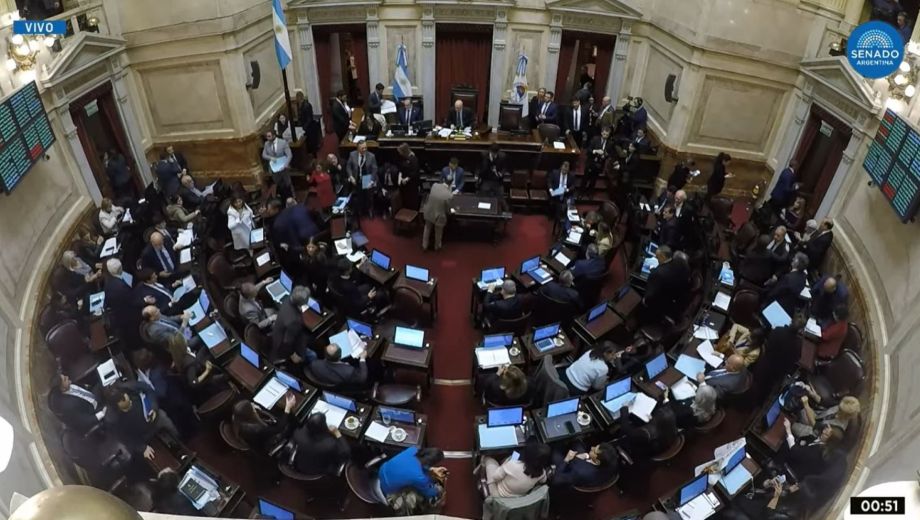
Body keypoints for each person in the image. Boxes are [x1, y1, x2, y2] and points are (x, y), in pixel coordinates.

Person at [104, 381, 182, 459]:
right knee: (156, 457)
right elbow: (124, 438)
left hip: (156, 418)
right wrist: (142, 448)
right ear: (117, 407)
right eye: (125, 406)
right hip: (142, 436)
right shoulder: (113, 420)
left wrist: (153, 407)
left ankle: (182, 447)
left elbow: (148, 390)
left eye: (128, 400)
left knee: (169, 426)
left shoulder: (129, 387)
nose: (128, 400)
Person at [232, 395, 297, 484]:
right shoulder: (256, 429)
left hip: (257, 442)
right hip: (268, 444)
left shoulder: (237, 419)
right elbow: (279, 429)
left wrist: (256, 411)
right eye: (252, 407)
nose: (253, 406)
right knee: (290, 425)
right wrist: (287, 408)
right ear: (249, 413)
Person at [753, 317, 805, 401]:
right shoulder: (798, 344)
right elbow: (796, 359)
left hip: (764, 364)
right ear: (801, 330)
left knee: (755, 383)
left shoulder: (778, 330)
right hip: (777, 372)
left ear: (790, 322)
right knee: (766, 390)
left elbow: (768, 344)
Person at [481, 441, 551, 498]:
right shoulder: (542, 473)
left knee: (489, 459)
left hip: (499, 495)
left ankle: (480, 470)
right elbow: (543, 481)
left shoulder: (513, 465)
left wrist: (507, 463)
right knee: (510, 459)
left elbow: (495, 477)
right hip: (518, 497)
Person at [377, 447, 447, 502]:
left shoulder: (412, 449)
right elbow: (429, 491)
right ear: (432, 462)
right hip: (387, 487)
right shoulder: (419, 477)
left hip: (382, 470)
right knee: (416, 497)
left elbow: (411, 466)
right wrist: (438, 491)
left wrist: (432, 469)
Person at [641, 245, 690, 322]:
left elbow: (648, 299)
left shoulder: (657, 274)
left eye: (657, 257)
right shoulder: (683, 266)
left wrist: (644, 300)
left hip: (663, 309)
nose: (656, 259)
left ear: (663, 256)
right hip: (679, 300)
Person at [271, 286, 316, 365]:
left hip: (278, 335)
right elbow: (287, 341)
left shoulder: (287, 299)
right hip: (284, 347)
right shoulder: (294, 321)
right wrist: (293, 355)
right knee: (313, 355)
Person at [552, 441, 618, 488]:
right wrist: (587, 456)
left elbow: (556, 480)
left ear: (597, 461)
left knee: (557, 449)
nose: (592, 447)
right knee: (577, 443)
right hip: (592, 474)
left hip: (575, 474)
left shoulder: (579, 470)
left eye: (594, 450)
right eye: (596, 446)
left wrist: (566, 459)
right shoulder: (612, 461)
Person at [345, 140, 379, 218]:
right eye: (362, 148)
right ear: (358, 149)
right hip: (357, 178)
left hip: (367, 178)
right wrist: (351, 176)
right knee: (359, 196)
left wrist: (372, 180)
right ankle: (360, 210)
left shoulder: (371, 156)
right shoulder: (352, 155)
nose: (365, 150)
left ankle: (370, 210)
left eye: (365, 148)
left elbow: (375, 169)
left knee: (369, 196)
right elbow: (348, 167)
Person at [422, 177, 453, 251]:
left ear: (443, 180)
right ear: (451, 183)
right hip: (439, 216)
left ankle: (424, 246)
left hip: (429, 212)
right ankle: (437, 246)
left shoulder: (434, 185)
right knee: (438, 232)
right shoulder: (449, 195)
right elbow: (448, 210)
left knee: (427, 228)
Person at [262, 130, 293, 201]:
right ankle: (281, 198)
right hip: (274, 168)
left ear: (274, 136)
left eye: (269, 136)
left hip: (283, 166)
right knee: (278, 183)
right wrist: (270, 158)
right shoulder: (267, 144)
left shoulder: (283, 142)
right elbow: (264, 155)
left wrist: (286, 164)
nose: (267, 138)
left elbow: (289, 155)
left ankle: (290, 198)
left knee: (287, 183)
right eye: (267, 136)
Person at [582, 126, 612, 195]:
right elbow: (588, 150)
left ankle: (590, 192)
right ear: (601, 133)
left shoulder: (610, 143)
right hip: (591, 162)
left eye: (607, 135)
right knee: (585, 179)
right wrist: (595, 151)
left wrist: (605, 155)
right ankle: (581, 192)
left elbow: (609, 153)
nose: (605, 136)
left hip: (600, 164)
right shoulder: (595, 139)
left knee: (594, 180)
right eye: (604, 134)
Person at [395, 143, 421, 210]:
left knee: (411, 202)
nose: (399, 153)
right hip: (404, 184)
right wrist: (400, 177)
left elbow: (415, 172)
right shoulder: (403, 157)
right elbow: (401, 168)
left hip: (411, 185)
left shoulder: (414, 159)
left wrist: (407, 179)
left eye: (400, 152)